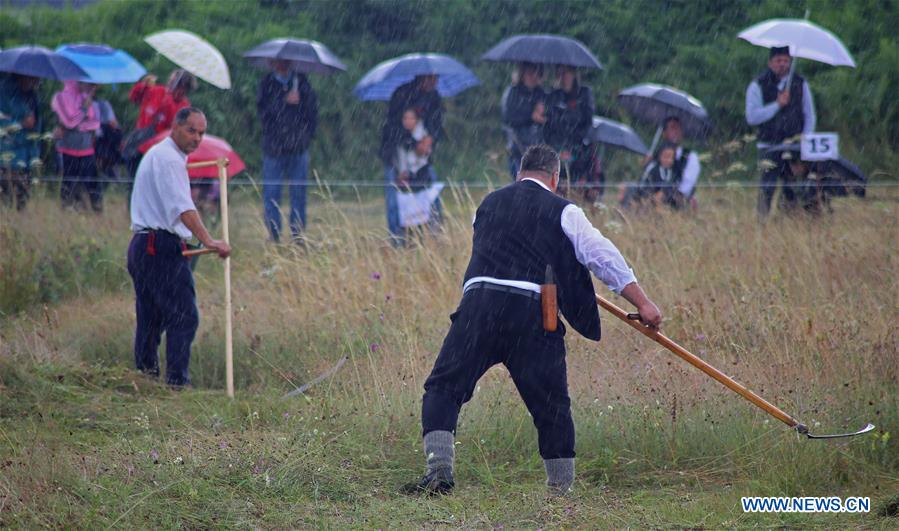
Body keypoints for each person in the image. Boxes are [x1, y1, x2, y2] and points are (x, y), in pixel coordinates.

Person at [403, 144, 662, 496]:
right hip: (532, 310)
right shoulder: (563, 210)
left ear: (518, 173)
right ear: (555, 178)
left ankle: (439, 472)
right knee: (551, 404)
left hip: (479, 305)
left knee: (444, 387)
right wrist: (643, 303)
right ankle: (560, 491)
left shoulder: (488, 205)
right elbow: (600, 254)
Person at [127, 107, 230, 387]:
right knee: (184, 317)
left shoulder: (162, 155)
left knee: (151, 319)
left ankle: (145, 379)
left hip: (142, 246)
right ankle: (176, 384)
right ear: (176, 126)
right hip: (158, 247)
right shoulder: (169, 159)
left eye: (201, 132)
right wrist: (210, 241)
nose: (197, 138)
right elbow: (183, 209)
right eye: (191, 130)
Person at [745, 46, 816, 220]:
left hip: (794, 146)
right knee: (767, 188)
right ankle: (761, 223)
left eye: (786, 61)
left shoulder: (801, 83)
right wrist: (777, 105)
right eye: (778, 61)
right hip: (768, 145)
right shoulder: (757, 85)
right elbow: (752, 117)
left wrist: (805, 140)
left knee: (792, 188)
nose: (783, 65)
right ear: (770, 63)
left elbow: (809, 114)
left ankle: (789, 223)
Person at [257, 59, 319, 243]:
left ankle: (298, 235)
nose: (281, 64)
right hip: (273, 148)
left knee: (298, 193)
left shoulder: (302, 82)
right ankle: (274, 234)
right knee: (272, 192)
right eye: (277, 61)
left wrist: (299, 104)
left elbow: (312, 112)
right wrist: (284, 101)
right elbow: (263, 113)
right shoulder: (266, 83)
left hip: (298, 148)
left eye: (285, 61)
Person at [381, 75, 443, 247]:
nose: (434, 82)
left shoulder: (434, 97)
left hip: (422, 159)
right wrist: (414, 144)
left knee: (431, 196)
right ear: (423, 77)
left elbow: (437, 124)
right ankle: (397, 241)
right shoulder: (401, 95)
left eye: (436, 78)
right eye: (431, 78)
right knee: (395, 200)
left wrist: (430, 139)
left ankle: (436, 237)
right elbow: (394, 128)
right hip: (396, 156)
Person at [124, 70, 196, 179]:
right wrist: (143, 85)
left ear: (183, 88)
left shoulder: (184, 105)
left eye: (173, 81)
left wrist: (168, 102)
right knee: (133, 174)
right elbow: (133, 97)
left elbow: (174, 126)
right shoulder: (157, 90)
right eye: (170, 80)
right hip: (140, 139)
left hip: (158, 146)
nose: (169, 83)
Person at [543, 65, 595, 193]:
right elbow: (549, 128)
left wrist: (573, 148)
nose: (564, 77)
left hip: (580, 149)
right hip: (557, 149)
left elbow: (587, 123)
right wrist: (559, 148)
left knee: (578, 188)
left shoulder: (584, 94)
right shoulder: (552, 96)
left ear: (574, 74)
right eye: (560, 73)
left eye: (567, 73)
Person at [52, 80, 102, 211]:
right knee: (69, 182)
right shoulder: (61, 97)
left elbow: (95, 123)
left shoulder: (86, 97)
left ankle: (94, 212)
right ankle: (68, 210)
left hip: (86, 149)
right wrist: (83, 110)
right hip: (68, 149)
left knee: (92, 184)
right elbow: (69, 122)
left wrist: (79, 122)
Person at [0, 74, 41, 210]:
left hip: (26, 154)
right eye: (30, 77)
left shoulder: (33, 97)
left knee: (21, 199)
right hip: (7, 152)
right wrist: (21, 123)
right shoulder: (4, 93)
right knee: (6, 194)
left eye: (35, 78)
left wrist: (35, 154)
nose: (33, 81)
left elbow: (37, 129)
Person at [501, 62, 546, 179]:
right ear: (523, 74)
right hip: (518, 149)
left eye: (536, 73)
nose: (533, 77)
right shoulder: (513, 93)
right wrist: (531, 116)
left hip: (539, 151)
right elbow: (509, 118)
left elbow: (548, 119)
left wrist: (544, 116)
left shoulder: (542, 94)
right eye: (530, 73)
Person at [642, 116, 701, 203]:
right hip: (652, 200)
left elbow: (687, 186)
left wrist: (667, 195)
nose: (676, 132)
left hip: (678, 201)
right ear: (664, 133)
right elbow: (647, 180)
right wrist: (646, 165)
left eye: (679, 128)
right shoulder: (655, 155)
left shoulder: (690, 157)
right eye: (672, 128)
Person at [623, 143, 685, 210]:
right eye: (666, 157)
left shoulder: (675, 170)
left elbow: (675, 184)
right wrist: (652, 196)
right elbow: (643, 184)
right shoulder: (653, 168)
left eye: (671, 157)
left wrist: (664, 192)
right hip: (648, 196)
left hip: (666, 199)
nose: (668, 160)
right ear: (659, 156)